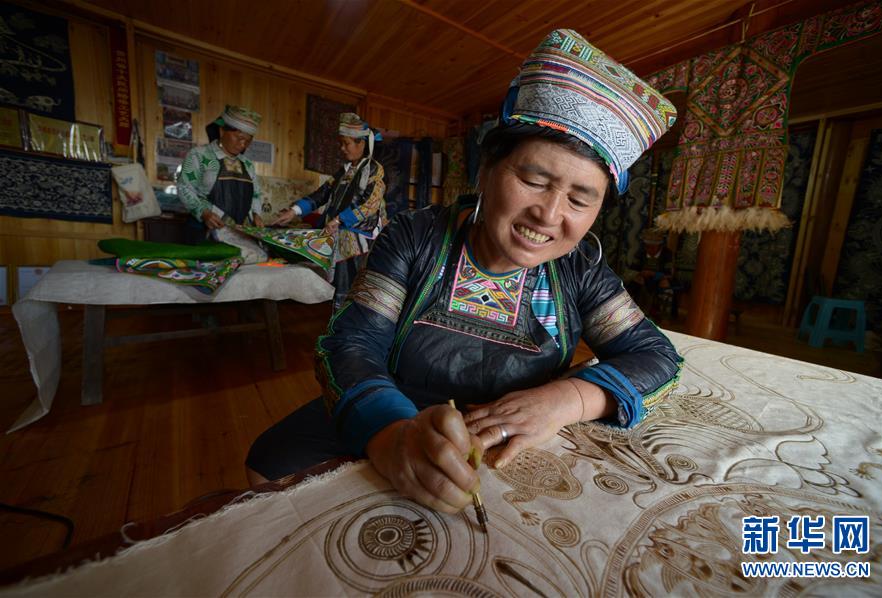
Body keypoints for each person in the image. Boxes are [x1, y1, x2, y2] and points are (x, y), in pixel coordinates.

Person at [247, 30, 683, 515]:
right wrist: (393, 433)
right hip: (390, 404)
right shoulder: (415, 237)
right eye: (533, 180)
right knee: (269, 465)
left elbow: (655, 356)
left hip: (510, 433)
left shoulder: (579, 270)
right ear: (486, 171)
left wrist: (564, 400)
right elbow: (352, 343)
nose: (549, 215)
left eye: (580, 200)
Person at [272, 113, 387, 308]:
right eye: (341, 143)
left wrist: (339, 220)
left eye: (346, 143)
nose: (342, 148)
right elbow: (322, 193)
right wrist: (294, 211)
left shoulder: (374, 169)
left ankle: (344, 312)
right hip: (337, 228)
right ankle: (333, 308)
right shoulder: (343, 171)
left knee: (347, 261)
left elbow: (370, 204)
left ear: (361, 143)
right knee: (301, 244)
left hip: (358, 233)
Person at [177, 105, 264, 241]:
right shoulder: (199, 155)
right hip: (204, 230)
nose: (243, 145)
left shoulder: (247, 164)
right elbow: (184, 187)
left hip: (238, 233)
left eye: (248, 141)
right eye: (239, 138)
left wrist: (256, 214)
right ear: (222, 130)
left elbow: (256, 194)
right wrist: (204, 213)